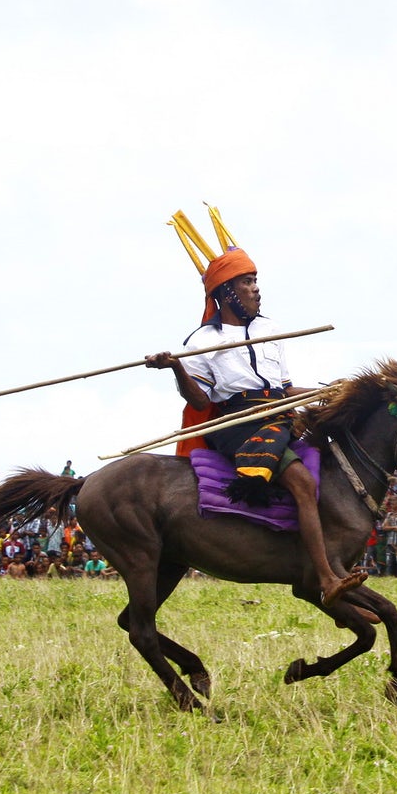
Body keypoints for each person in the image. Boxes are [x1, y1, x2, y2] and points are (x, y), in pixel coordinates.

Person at [145, 226, 361, 607]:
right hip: (238, 423)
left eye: (256, 280)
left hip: (278, 414)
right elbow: (200, 402)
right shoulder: (201, 342)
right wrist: (176, 368)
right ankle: (327, 579)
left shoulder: (269, 330)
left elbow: (284, 389)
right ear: (226, 292)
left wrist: (329, 391)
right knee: (300, 480)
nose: (256, 289)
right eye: (247, 282)